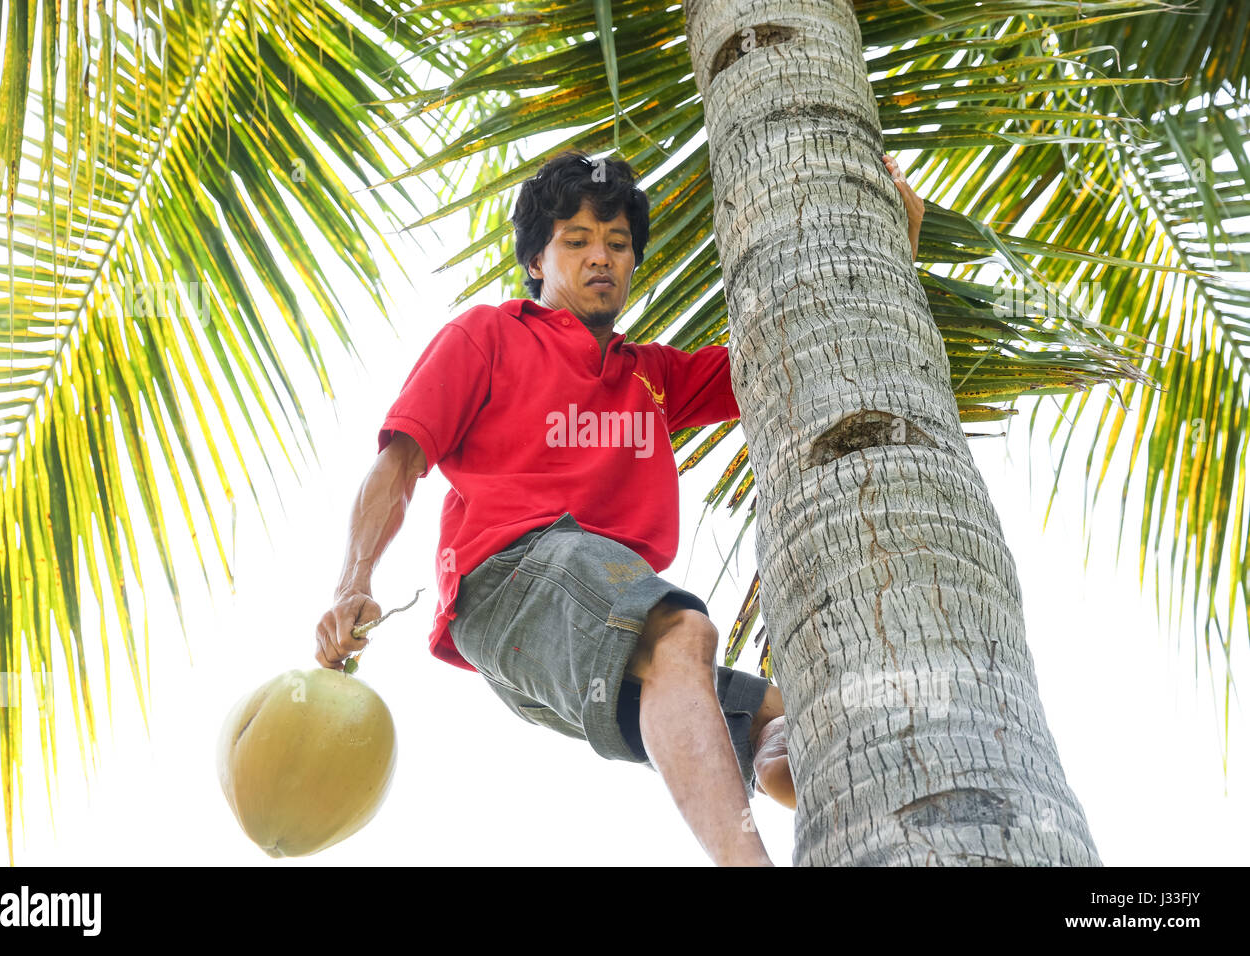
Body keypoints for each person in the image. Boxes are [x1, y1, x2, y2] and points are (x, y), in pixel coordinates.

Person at [316, 149, 924, 866]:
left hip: (582, 634)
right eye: (575, 241)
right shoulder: (487, 335)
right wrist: (354, 580)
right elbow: (400, 462)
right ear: (538, 261)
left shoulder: (652, 375)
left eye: (616, 243)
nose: (599, 257)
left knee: (796, 727)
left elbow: (807, 355)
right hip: (511, 581)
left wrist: (897, 251)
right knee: (681, 631)